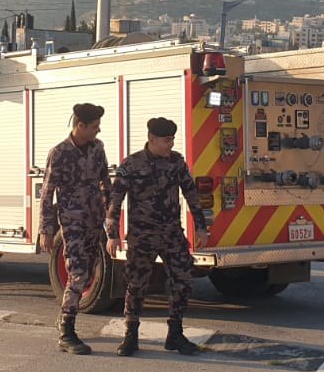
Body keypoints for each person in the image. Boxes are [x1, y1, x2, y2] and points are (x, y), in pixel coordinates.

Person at [105, 117, 210, 357]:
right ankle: (131, 335)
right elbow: (115, 200)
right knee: (137, 285)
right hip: (142, 236)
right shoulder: (131, 164)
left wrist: (201, 227)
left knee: (183, 280)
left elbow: (192, 195)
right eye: (166, 140)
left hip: (172, 234)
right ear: (152, 139)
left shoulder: (176, 163)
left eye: (172, 139)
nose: (170, 144)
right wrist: (112, 234)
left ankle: (175, 334)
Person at [39, 103, 110, 355]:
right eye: (94, 126)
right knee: (78, 274)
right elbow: (47, 193)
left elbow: (105, 182)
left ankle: (64, 318)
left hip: (94, 221)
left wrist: (111, 219)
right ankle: (66, 332)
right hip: (73, 223)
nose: (98, 130)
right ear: (80, 126)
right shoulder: (59, 153)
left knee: (88, 274)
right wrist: (46, 229)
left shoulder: (97, 148)